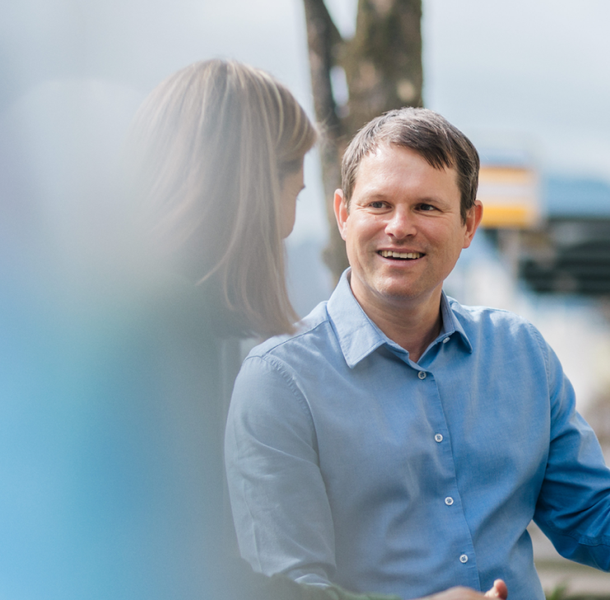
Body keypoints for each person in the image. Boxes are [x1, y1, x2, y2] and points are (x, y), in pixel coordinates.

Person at [223, 107, 610, 600]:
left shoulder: (519, 354)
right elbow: (283, 588)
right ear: (343, 214)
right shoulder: (281, 381)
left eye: (427, 207)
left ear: (470, 223)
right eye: (379, 205)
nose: (399, 227)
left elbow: (598, 518)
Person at [128, 63, 506, 600]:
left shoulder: (137, 311)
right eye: (293, 193)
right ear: (247, 188)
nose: (286, 226)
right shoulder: (160, 330)